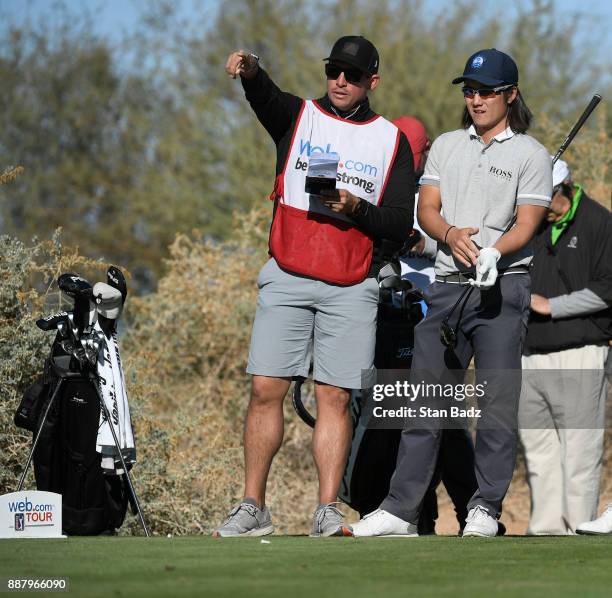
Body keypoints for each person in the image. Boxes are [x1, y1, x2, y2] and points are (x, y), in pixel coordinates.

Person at [214, 36, 414, 537]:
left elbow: (396, 224)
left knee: (335, 398)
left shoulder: (392, 140)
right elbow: (265, 94)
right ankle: (253, 506)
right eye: (332, 71)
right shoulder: (298, 116)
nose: (340, 81)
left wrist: (357, 209)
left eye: (351, 74)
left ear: (373, 81)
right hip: (288, 273)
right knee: (265, 389)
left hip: (351, 286)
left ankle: (327, 509)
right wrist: (251, 68)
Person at [351, 48, 552, 538]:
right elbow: (428, 210)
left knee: (497, 402)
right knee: (425, 400)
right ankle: (400, 509)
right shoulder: (445, 145)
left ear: (511, 94)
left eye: (486, 91)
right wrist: (451, 237)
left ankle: (484, 508)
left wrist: (494, 251)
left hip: (503, 289)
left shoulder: (531, 154)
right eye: (469, 91)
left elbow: (527, 222)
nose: (476, 99)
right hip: (446, 287)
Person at [393, 115, 480, 535]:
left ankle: (470, 509)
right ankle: (413, 515)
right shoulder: (377, 188)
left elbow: (453, 245)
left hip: (432, 312)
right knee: (395, 419)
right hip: (386, 318)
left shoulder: (440, 186)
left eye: (410, 154)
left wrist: (420, 242)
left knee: (440, 419)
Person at [519, 159, 611, 535]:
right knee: (538, 450)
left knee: (579, 451)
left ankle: (578, 531)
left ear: (565, 189)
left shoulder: (599, 222)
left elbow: (608, 288)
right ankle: (545, 532)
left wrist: (552, 306)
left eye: (545, 197)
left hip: (580, 349)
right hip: (528, 352)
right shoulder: (529, 224)